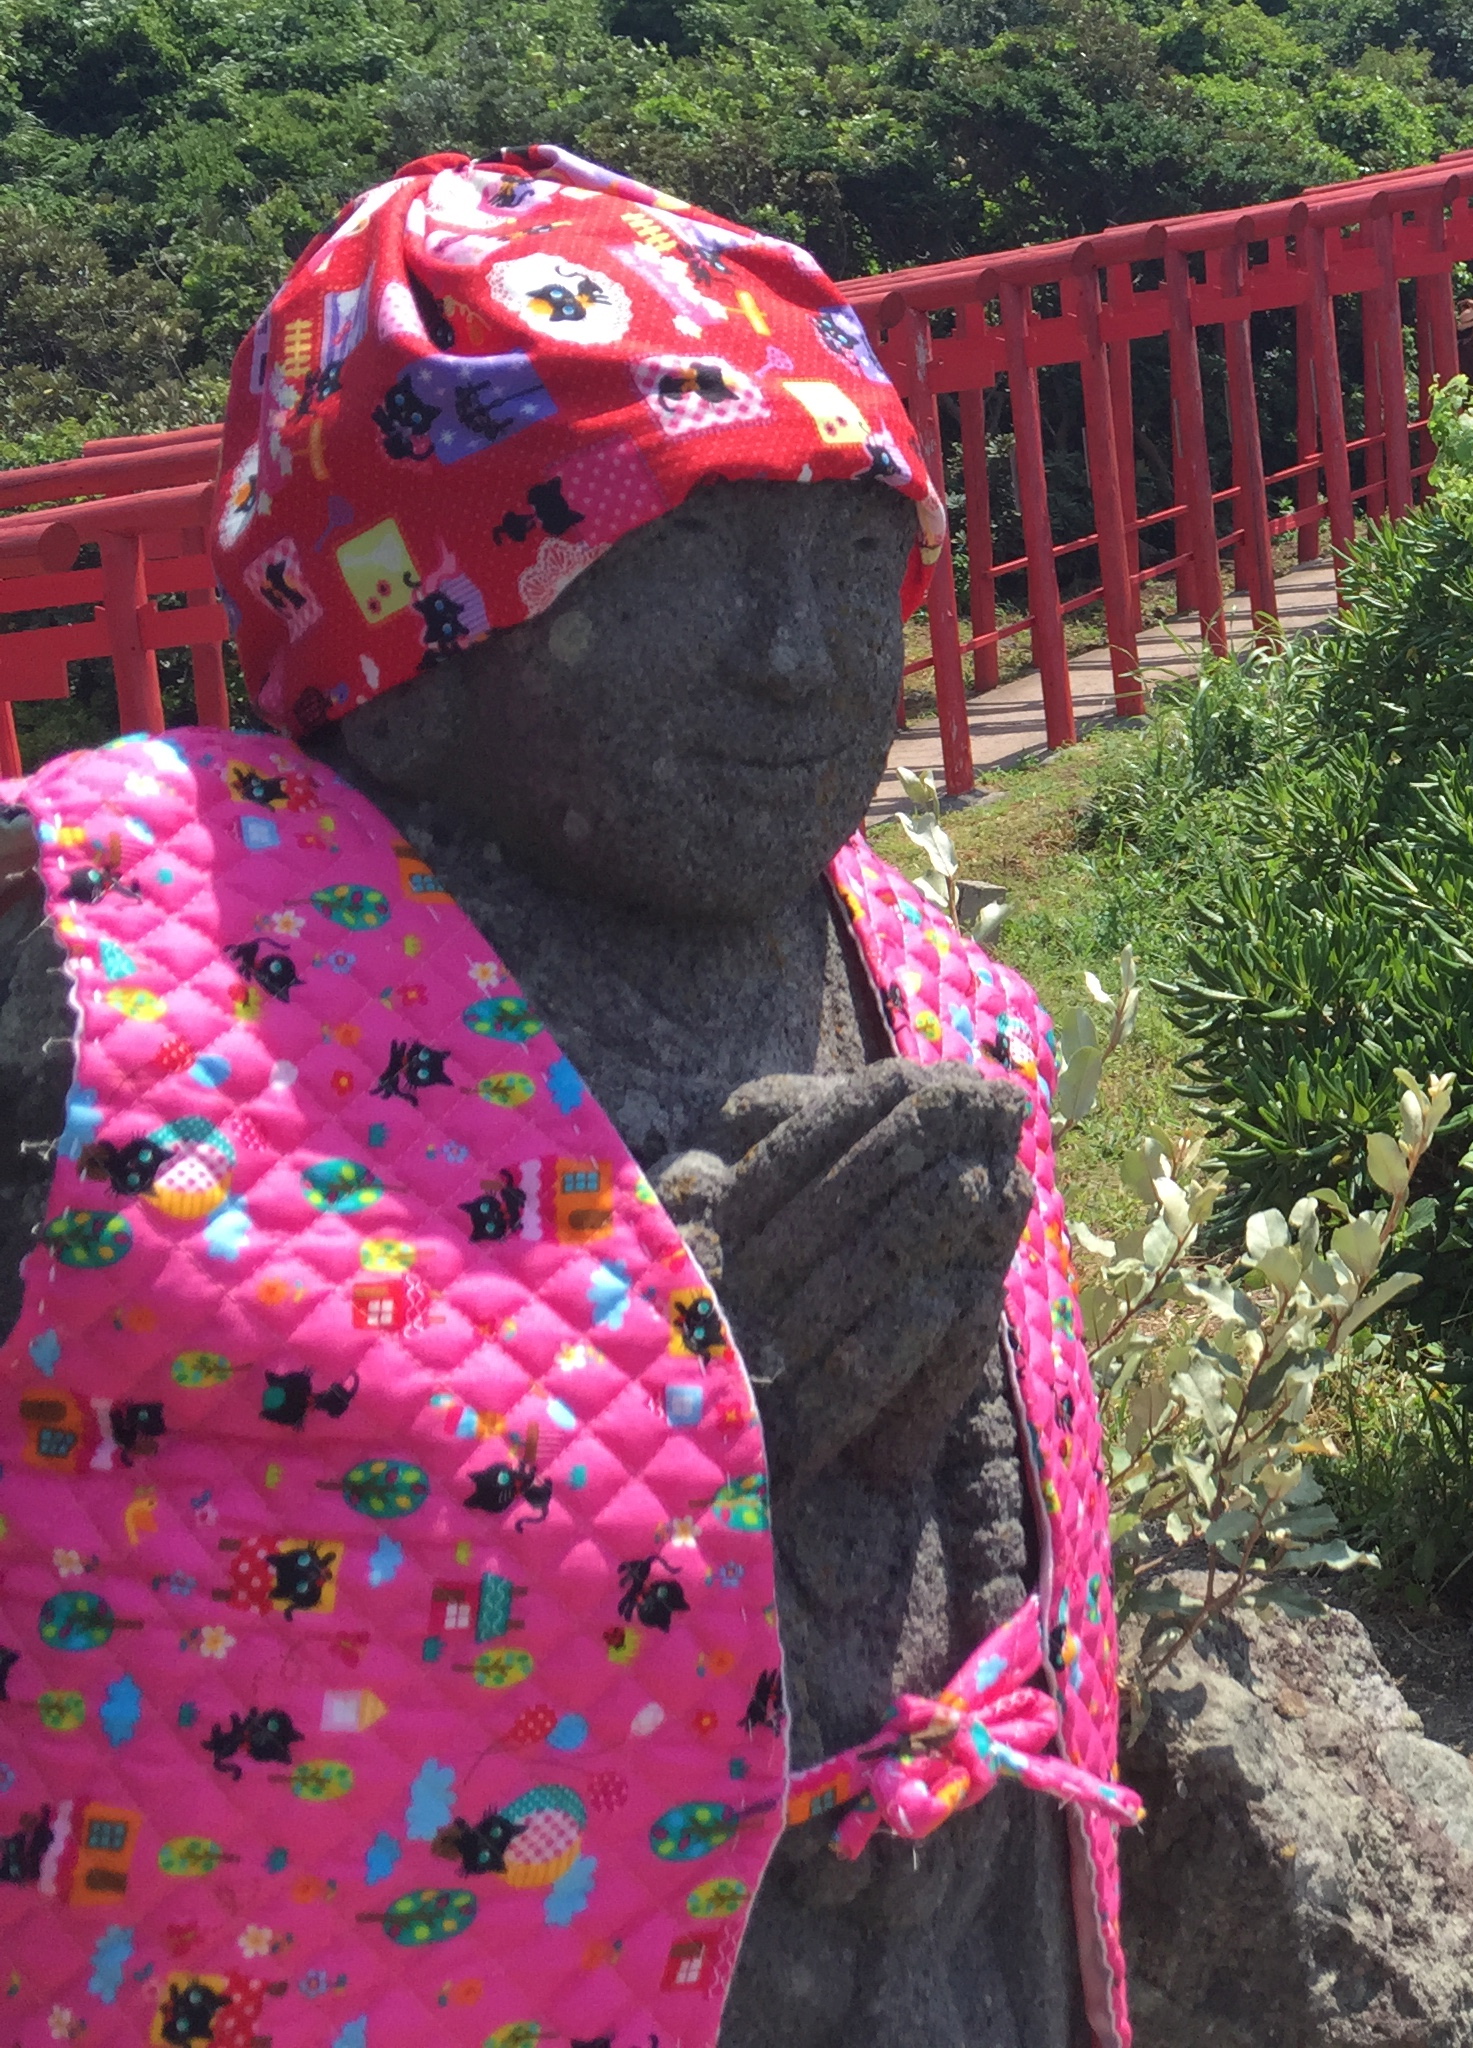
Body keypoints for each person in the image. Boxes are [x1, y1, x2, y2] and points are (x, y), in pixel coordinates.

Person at [0, 147, 1133, 2048]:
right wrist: (682, 1406)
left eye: (852, 558)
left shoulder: (932, 987)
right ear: (413, 654)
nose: (798, 657)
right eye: (687, 558)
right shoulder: (140, 961)